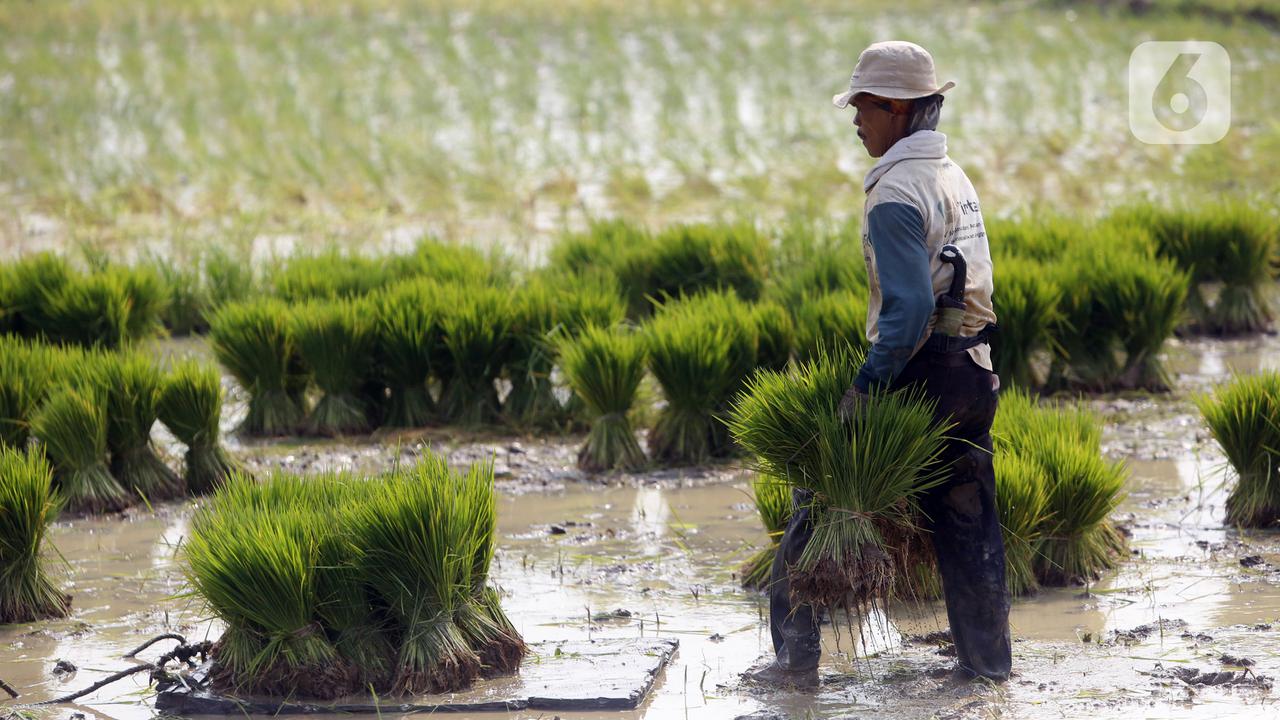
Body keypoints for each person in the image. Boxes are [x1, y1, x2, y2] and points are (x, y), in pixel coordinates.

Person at [746, 40, 1010, 688]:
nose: (856, 121)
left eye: (863, 106)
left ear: (897, 108)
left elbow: (911, 306)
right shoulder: (952, 174)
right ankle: (988, 668)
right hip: (974, 372)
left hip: (921, 378)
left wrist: (865, 386)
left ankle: (792, 665)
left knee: (821, 497)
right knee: (970, 526)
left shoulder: (895, 190)